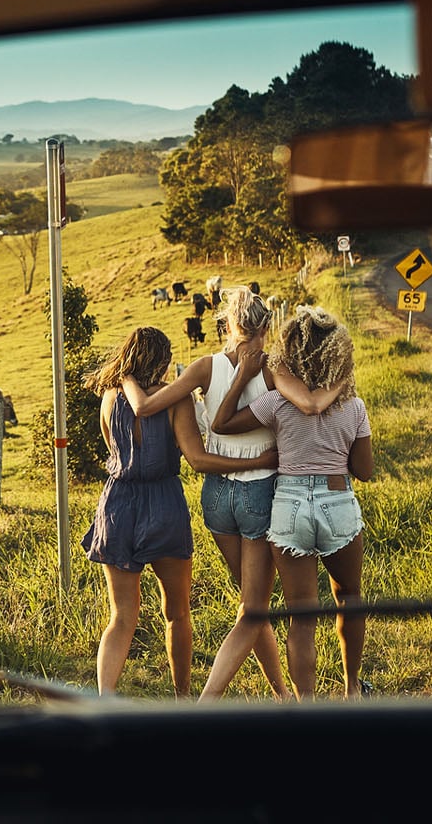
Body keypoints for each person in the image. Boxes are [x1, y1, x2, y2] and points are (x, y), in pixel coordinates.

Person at [119, 288, 345, 699]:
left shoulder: (204, 368)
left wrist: (127, 376)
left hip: (217, 497)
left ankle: (282, 694)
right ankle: (206, 704)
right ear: (265, 327)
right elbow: (310, 405)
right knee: (252, 610)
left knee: (251, 606)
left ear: (228, 325)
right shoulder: (274, 368)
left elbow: (144, 407)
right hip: (260, 494)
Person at [84, 326, 280, 696]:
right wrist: (255, 462)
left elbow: (113, 449)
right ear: (160, 360)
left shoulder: (110, 398)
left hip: (117, 505)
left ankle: (105, 698)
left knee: (122, 616)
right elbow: (197, 459)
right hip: (163, 506)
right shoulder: (175, 400)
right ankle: (182, 698)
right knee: (177, 612)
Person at [212, 307, 373, 698]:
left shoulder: (276, 404)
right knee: (348, 597)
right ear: (338, 356)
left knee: (302, 616)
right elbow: (364, 471)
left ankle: (306, 708)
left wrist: (241, 380)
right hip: (337, 501)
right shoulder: (353, 407)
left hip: (288, 506)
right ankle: (352, 689)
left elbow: (221, 423)